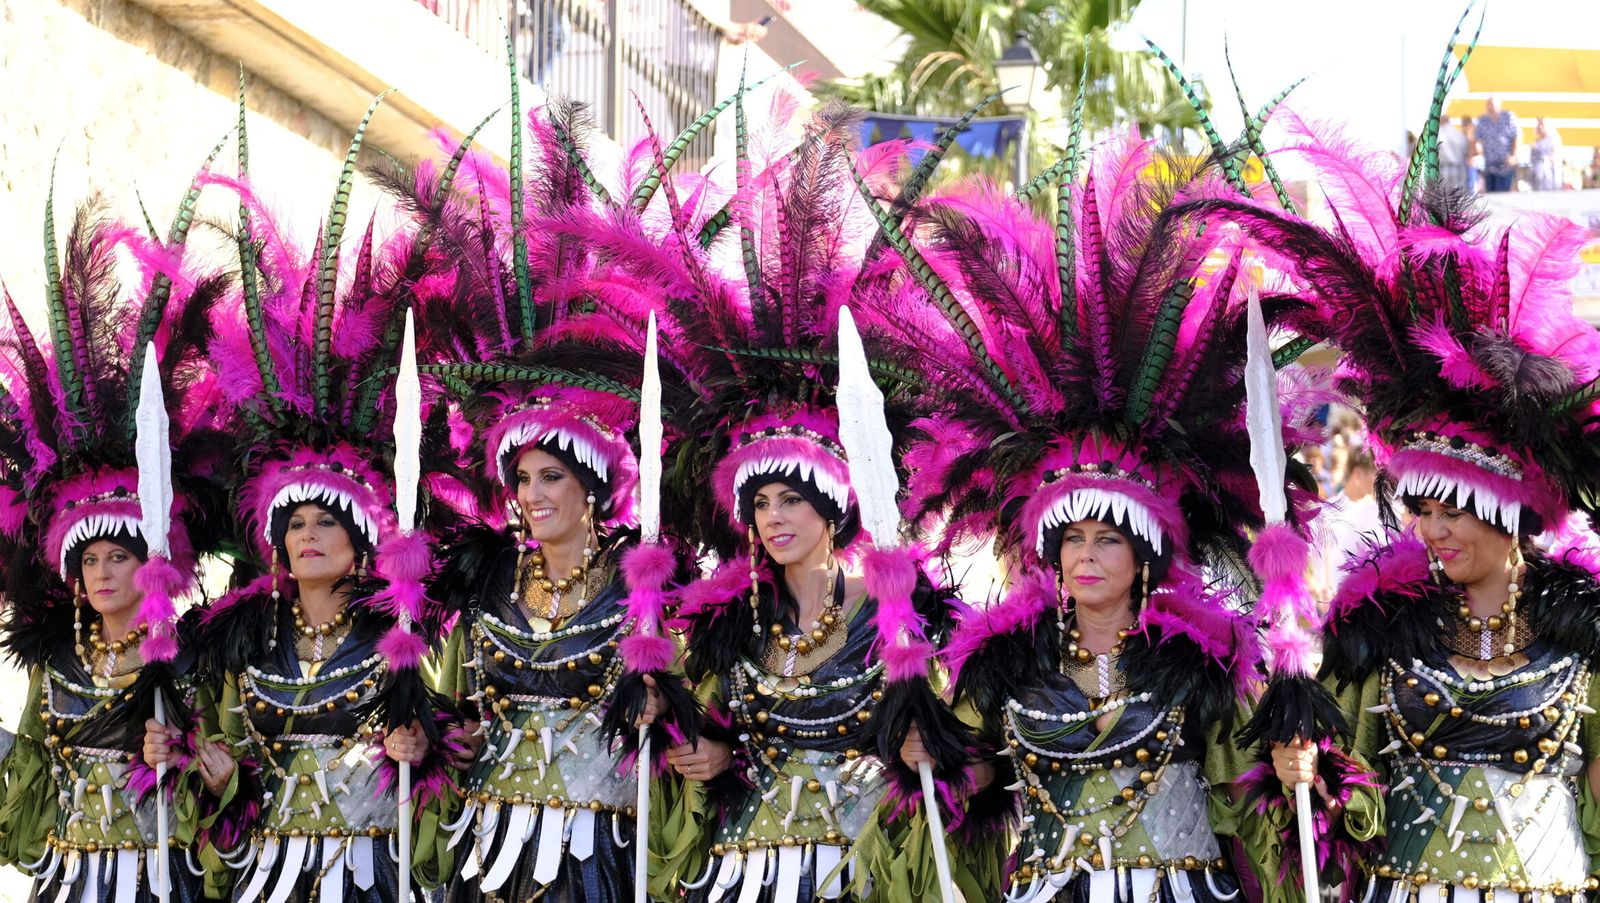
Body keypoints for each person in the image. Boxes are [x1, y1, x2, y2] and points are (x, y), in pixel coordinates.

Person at [1186, 44, 1600, 900]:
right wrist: (1308, 771)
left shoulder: (1585, 628)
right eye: (1420, 508)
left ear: (1511, 508)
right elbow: (1337, 802)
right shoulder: (1378, 627)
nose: (1433, 530)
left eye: (1453, 511)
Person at [870, 130, 1316, 903]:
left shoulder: (1210, 659)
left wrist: (1296, 773)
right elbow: (972, 775)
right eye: (1071, 538)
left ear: (1145, 554)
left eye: (1107, 538)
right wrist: (932, 762)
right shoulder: (1005, 659)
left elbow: (1252, 795)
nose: (1085, 555)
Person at [158, 136, 461, 900]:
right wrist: (212, 767)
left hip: (373, 871)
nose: (307, 535)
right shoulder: (243, 635)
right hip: (270, 874)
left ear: (362, 540)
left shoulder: (410, 632)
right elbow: (215, 748)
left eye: (326, 521)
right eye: (294, 524)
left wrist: (419, 750)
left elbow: (460, 743)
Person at [0, 198, 230, 903]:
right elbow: (33, 774)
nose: (101, 572)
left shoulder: (193, 659)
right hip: (68, 884)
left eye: (117, 557)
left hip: (162, 882)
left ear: (153, 561)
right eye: (89, 560)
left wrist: (195, 762)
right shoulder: (59, 659)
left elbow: (231, 780)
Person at [1476, 95, 1519, 192]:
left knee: (1502, 193)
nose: (1490, 107)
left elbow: (1516, 136)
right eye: (1488, 104)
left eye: (1492, 104)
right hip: (1489, 165)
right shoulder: (1483, 120)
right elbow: (1476, 138)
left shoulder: (1508, 117)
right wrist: (1478, 150)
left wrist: (1513, 155)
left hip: (1505, 165)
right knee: (1491, 195)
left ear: (1499, 105)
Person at [1439, 116, 1472, 192]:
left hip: (1444, 167)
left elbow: (1440, 149)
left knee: (1445, 193)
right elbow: (1464, 148)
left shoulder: (1439, 133)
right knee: (1459, 192)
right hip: (1459, 166)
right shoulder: (1457, 133)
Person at [1530, 116, 1563, 190]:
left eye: (1542, 124)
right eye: (1538, 124)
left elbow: (1554, 155)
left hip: (1549, 179)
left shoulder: (1553, 139)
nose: (1540, 127)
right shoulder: (1537, 141)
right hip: (1538, 179)